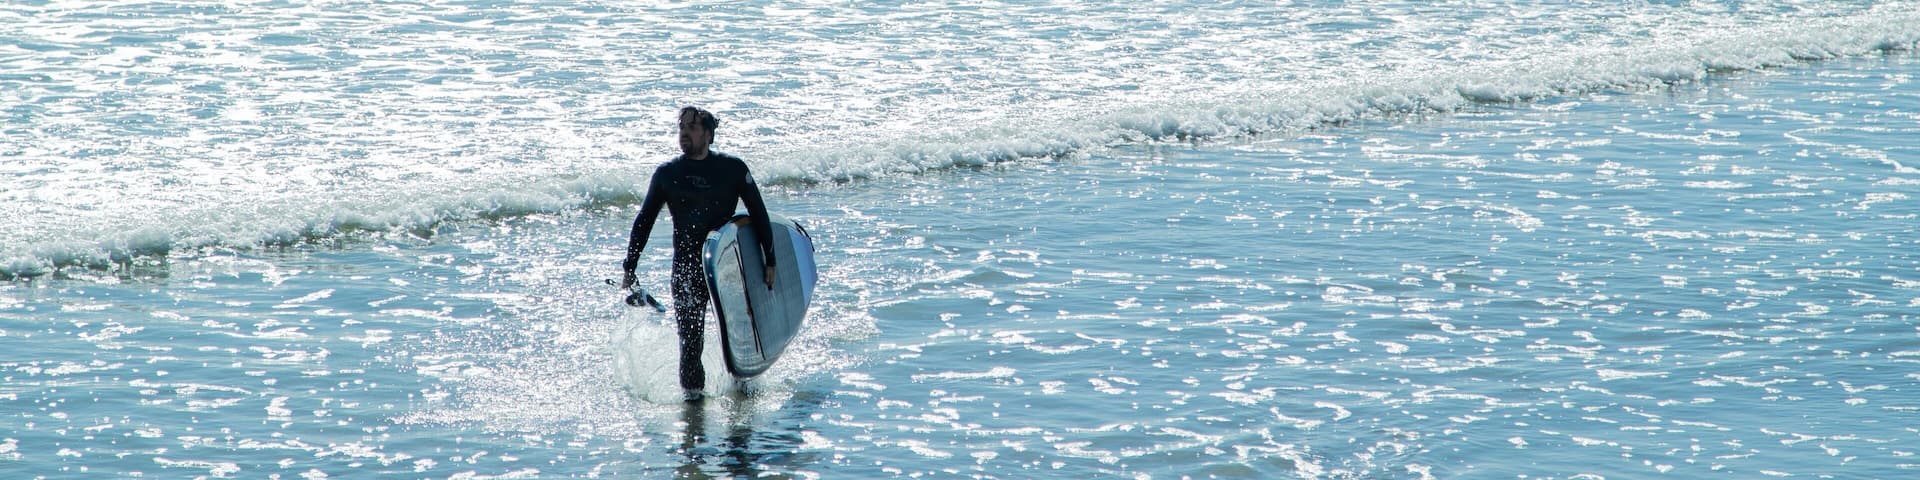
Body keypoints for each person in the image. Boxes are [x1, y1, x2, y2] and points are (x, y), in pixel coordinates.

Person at [621, 106, 777, 402]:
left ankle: (744, 395)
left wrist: (770, 261)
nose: (684, 133)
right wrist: (630, 265)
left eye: (692, 128)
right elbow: (644, 221)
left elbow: (758, 214)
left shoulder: (733, 169)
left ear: (708, 134)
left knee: (739, 336)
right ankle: (694, 405)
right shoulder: (667, 174)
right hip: (687, 270)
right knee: (690, 343)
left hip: (726, 269)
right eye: (681, 127)